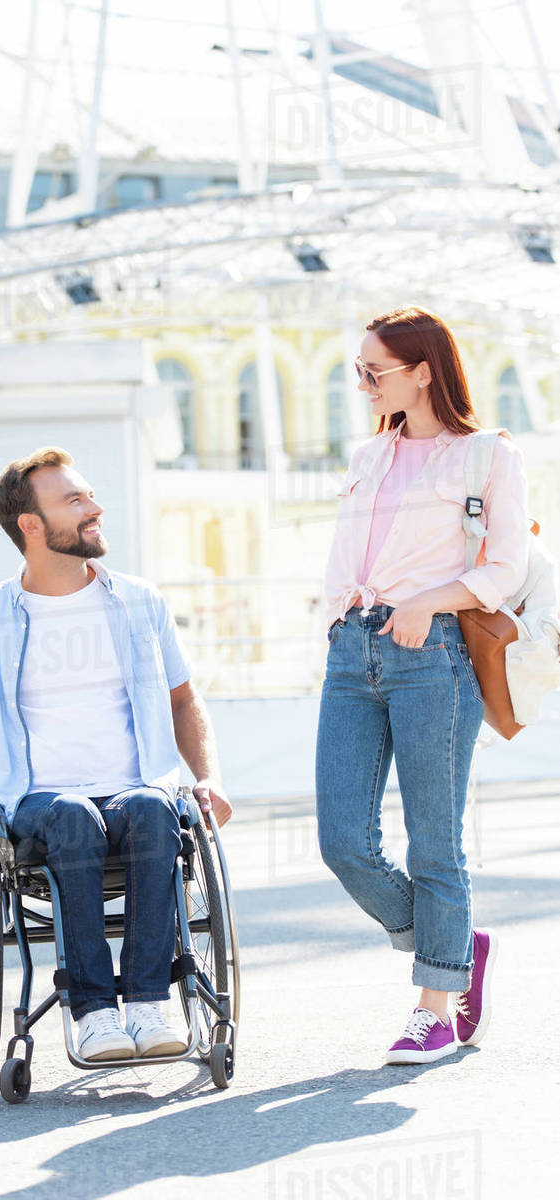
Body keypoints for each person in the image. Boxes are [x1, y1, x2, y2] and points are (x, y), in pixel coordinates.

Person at [0, 446, 231, 1062]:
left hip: (135, 788)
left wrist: (208, 777)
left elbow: (184, 699)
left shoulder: (140, 601)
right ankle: (91, 1013)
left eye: (87, 495)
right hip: (34, 805)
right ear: (29, 525)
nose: (95, 508)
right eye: (75, 500)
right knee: (71, 815)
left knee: (149, 807)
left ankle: (147, 1003)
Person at [316, 307, 527, 1064]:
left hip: (431, 655)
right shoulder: (366, 457)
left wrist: (426, 602)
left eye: (375, 371)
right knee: (342, 842)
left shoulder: (485, 456)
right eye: (359, 371)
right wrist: (335, 618)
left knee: (434, 843)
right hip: (352, 652)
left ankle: (433, 1008)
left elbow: (506, 569)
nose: (363, 384)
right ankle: (454, 944)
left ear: (423, 370)